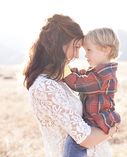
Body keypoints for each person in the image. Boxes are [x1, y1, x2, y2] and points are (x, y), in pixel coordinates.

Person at [23, 14, 117, 157]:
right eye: (76, 47)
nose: (78, 55)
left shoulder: (56, 79)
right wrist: (110, 131)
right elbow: (85, 138)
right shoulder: (45, 86)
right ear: (58, 45)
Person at [63, 28, 121, 157]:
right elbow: (82, 75)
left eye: (89, 50)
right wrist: (71, 70)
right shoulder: (98, 71)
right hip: (94, 118)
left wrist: (63, 69)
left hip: (97, 120)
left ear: (106, 50)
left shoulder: (104, 76)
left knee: (74, 144)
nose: (85, 54)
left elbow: (78, 83)